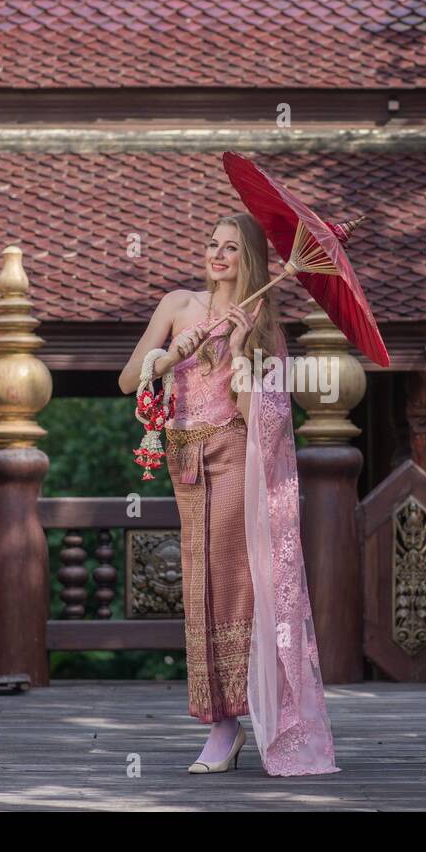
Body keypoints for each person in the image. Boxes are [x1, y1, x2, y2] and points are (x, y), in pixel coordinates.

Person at [118, 212, 339, 776]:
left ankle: (233, 719)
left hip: (235, 457)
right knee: (198, 584)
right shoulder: (177, 305)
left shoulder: (263, 325)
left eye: (231, 249)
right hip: (183, 460)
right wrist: (173, 354)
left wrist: (240, 350)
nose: (216, 256)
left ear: (250, 261)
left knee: (235, 585)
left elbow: (265, 420)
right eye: (211, 244)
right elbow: (127, 380)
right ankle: (220, 717)